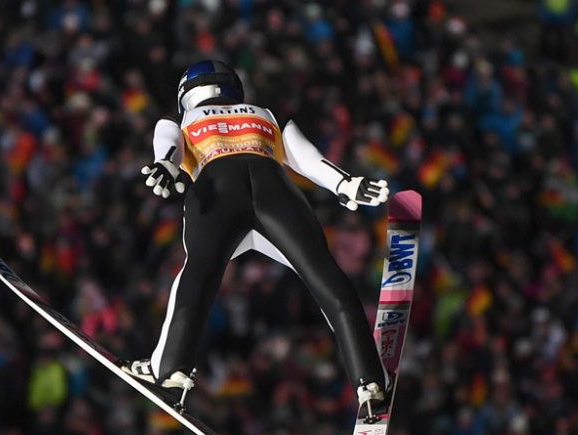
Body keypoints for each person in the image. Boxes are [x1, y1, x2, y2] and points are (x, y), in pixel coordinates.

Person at [121, 60, 391, 411]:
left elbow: (168, 140)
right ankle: (369, 379)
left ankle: (170, 369)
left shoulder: (181, 120)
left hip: (218, 189)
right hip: (274, 189)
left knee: (198, 275)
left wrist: (166, 165)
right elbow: (306, 158)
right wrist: (344, 183)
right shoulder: (266, 113)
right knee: (325, 276)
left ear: (186, 94)